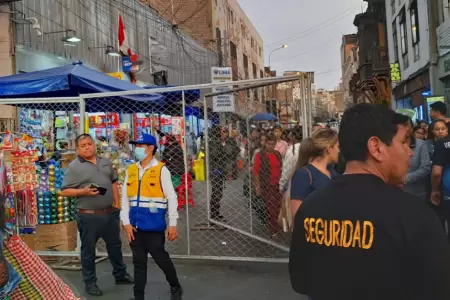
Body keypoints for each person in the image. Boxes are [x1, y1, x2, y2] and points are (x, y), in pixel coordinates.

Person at [289, 103, 450, 300]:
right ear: (376, 147)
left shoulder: (310, 206)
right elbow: (439, 288)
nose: (409, 152)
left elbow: (300, 281)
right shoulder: (415, 215)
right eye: (404, 142)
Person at [60, 134, 132, 297]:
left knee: (115, 247)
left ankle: (120, 275)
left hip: (109, 213)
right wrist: (83, 191)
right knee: (89, 251)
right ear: (78, 149)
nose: (87, 147)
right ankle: (90, 283)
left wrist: (117, 204)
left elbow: (113, 182)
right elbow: (64, 191)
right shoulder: (74, 167)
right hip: (89, 217)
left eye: (89, 144)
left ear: (94, 145)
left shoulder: (105, 162)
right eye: (83, 145)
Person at [120, 134, 182, 300]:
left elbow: (172, 197)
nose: (138, 149)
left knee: (161, 259)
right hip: (135, 227)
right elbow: (125, 198)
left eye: (141, 145)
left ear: (151, 148)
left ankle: (175, 285)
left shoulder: (161, 170)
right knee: (139, 264)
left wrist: (173, 223)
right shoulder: (131, 170)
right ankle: (138, 296)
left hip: (154, 226)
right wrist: (125, 222)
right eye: (137, 145)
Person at [290, 128, 339, 218]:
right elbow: (297, 214)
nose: (339, 151)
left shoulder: (333, 173)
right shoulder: (303, 175)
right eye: (337, 147)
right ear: (329, 149)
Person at [253, 134, 283, 236]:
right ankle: (274, 229)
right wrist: (257, 187)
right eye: (269, 144)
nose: (271, 146)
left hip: (278, 184)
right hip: (267, 184)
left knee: (278, 206)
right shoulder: (260, 155)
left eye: (273, 144)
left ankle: (277, 227)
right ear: (265, 144)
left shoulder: (277, 154)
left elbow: (281, 168)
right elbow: (256, 172)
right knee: (271, 207)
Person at [403, 118, 431, 201]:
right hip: (395, 192)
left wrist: (405, 178)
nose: (402, 129)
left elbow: (425, 168)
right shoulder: (390, 144)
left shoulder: (421, 144)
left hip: (416, 192)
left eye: (405, 125)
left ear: (412, 129)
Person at [208, 126, 228, 221]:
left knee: (218, 193)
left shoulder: (215, 142)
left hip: (218, 170)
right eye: (222, 132)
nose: (223, 133)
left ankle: (215, 213)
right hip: (216, 171)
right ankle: (213, 215)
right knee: (216, 193)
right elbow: (215, 155)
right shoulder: (215, 143)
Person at [279, 126, 302, 193]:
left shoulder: (292, 150)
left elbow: (287, 169)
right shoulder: (306, 148)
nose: (289, 137)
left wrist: (282, 184)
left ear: (294, 137)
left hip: (292, 183)